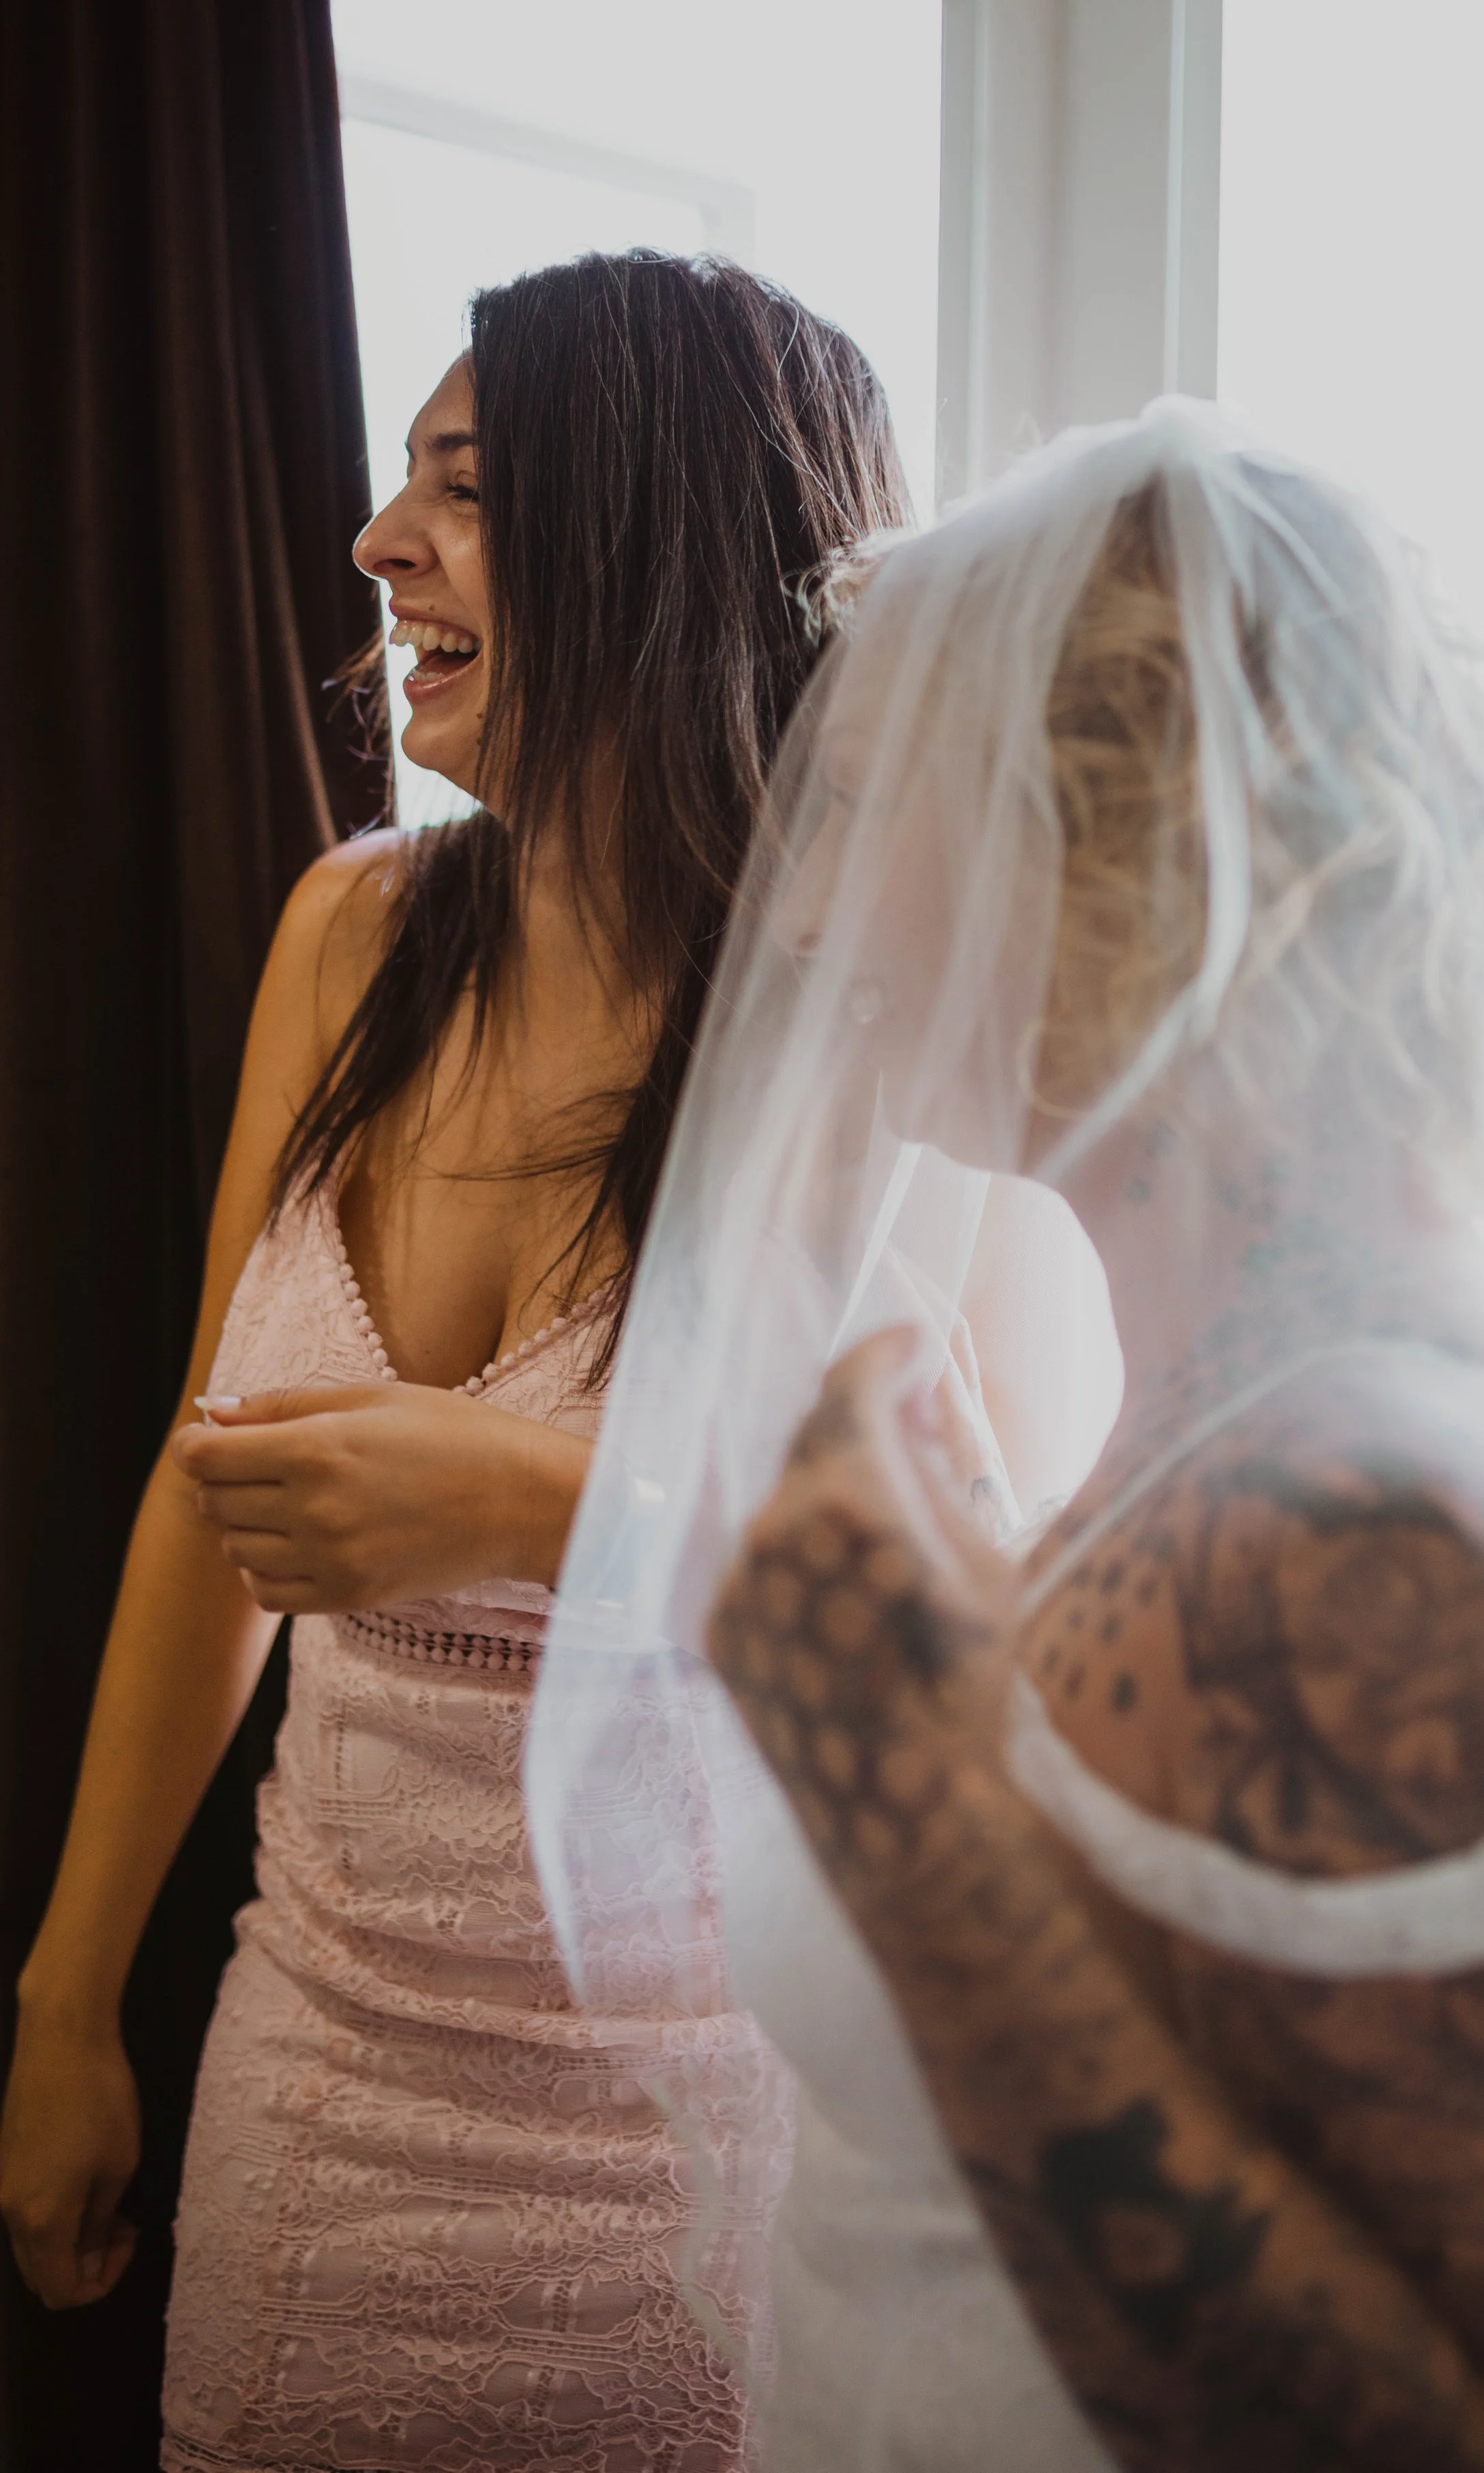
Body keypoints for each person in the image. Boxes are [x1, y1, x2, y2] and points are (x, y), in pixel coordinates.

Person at [528, 407, 1484, 2472]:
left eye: (863, 805)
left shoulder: (1376, 1499)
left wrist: (915, 1801)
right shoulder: (1219, 1402)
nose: (795, 927)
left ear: (1114, 833)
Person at [0, 249, 908, 2470]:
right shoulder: (351, 933)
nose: (376, 541)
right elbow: (206, 1499)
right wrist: (66, 1995)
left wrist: (540, 1504)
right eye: (402, 481)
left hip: (688, 2150)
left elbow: (970, 1641)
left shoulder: (881, 1032)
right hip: (304, 2071)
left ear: (667, 536)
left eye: (466, 488)